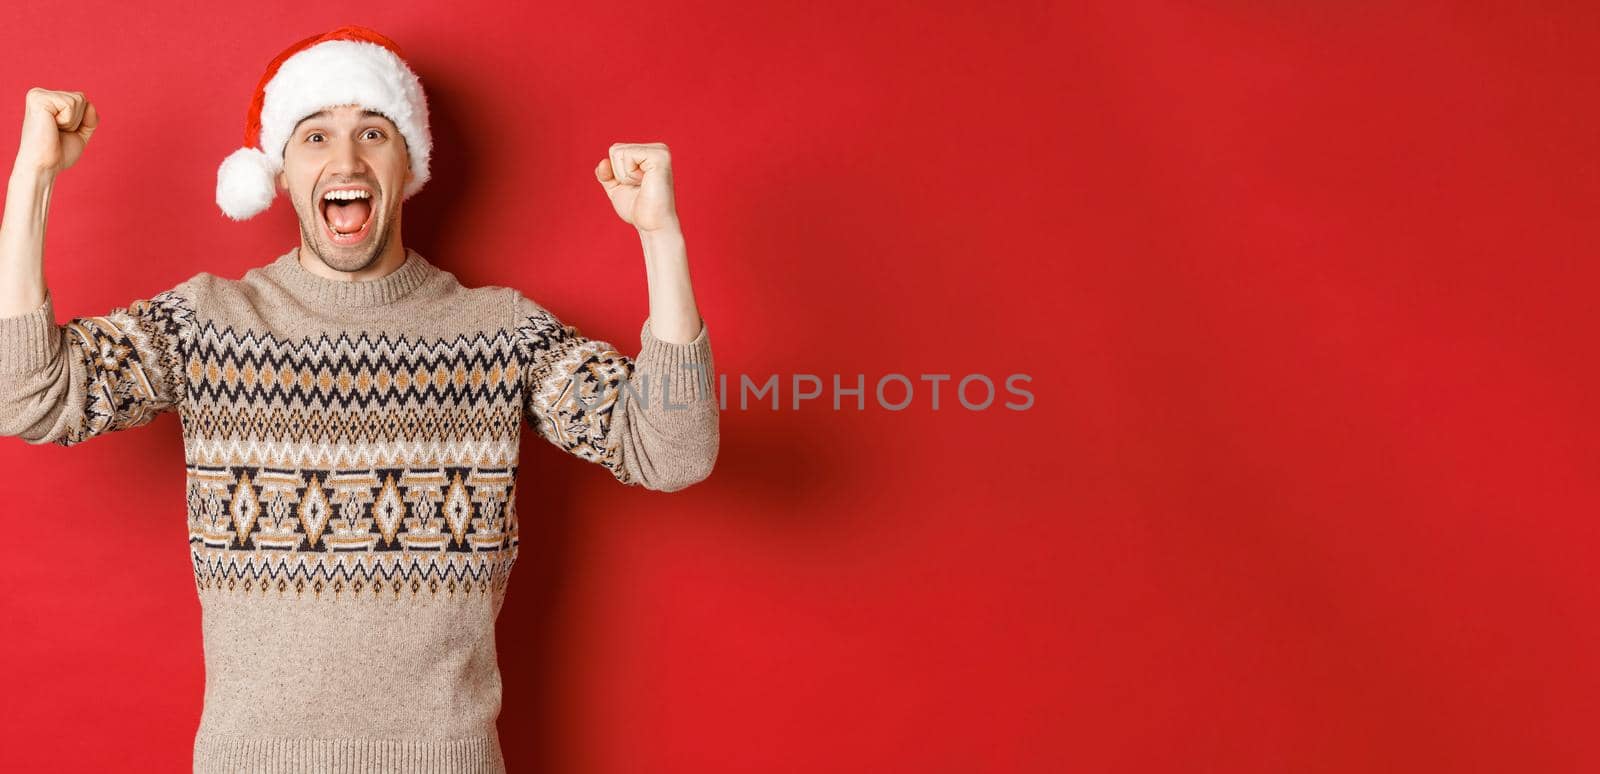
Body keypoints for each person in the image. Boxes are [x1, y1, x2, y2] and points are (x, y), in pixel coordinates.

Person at [0, 25, 717, 773]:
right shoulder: (210, 323)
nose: (344, 159)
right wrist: (32, 180)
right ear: (279, 169)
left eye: (372, 131)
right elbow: (25, 394)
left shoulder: (498, 330)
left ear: (408, 161)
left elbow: (670, 452)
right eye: (314, 136)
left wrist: (661, 237)